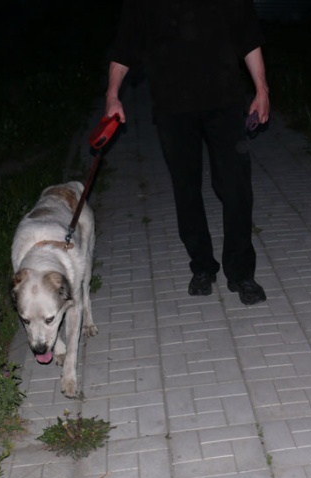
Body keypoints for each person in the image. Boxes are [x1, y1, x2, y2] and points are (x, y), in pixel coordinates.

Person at [105, 0, 270, 305]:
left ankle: (241, 273)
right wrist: (113, 95)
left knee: (236, 188)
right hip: (173, 106)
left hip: (225, 100)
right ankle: (202, 266)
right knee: (186, 189)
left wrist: (262, 90)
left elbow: (248, 37)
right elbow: (125, 45)